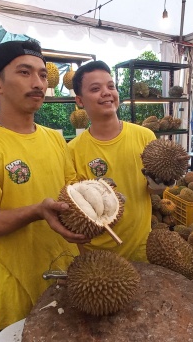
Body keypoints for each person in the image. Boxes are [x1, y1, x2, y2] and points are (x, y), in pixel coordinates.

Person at [0, 40, 88, 331]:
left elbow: (70, 189)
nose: (38, 83)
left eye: (41, 74)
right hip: (19, 289)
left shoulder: (53, 138)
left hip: (71, 277)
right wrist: (36, 211)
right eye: (24, 73)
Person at [68, 60, 161, 262]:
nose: (107, 92)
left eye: (111, 86)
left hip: (141, 249)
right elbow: (76, 211)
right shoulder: (72, 151)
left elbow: (155, 190)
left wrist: (161, 182)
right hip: (96, 255)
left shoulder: (145, 137)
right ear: (80, 100)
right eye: (95, 88)